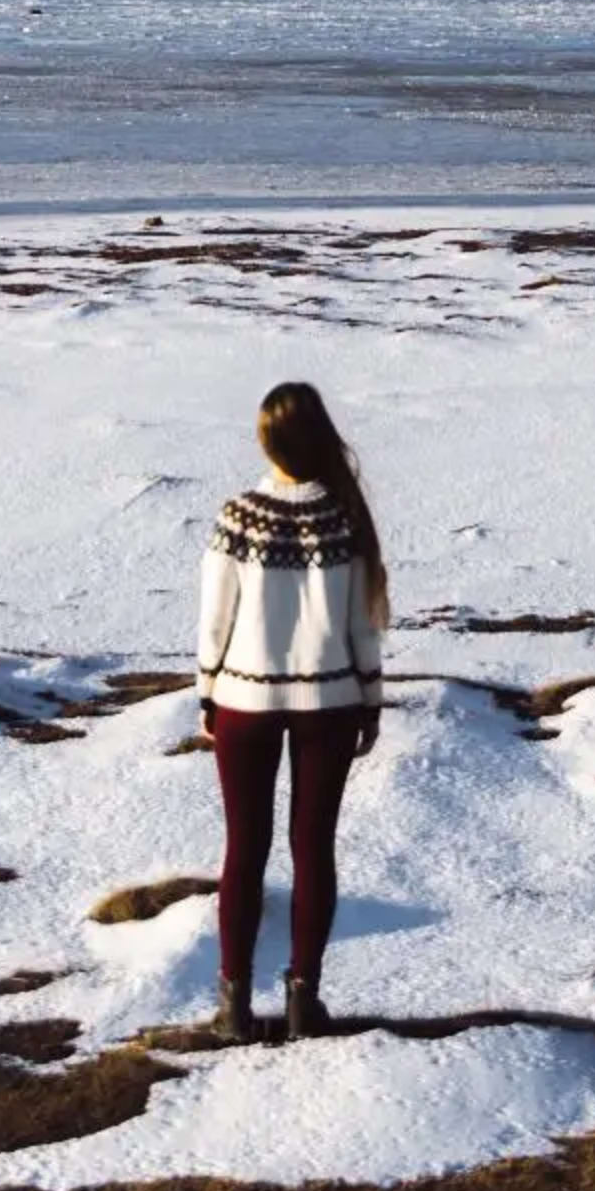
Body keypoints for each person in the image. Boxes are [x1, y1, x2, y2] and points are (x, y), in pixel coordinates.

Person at [196, 380, 389, 1042]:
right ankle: (305, 998)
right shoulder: (344, 518)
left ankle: (234, 1005)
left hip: (243, 701)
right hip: (330, 702)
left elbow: (215, 618)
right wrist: (369, 695)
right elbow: (365, 625)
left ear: (267, 440)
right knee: (314, 850)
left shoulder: (239, 517)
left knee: (242, 851)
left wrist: (207, 689)